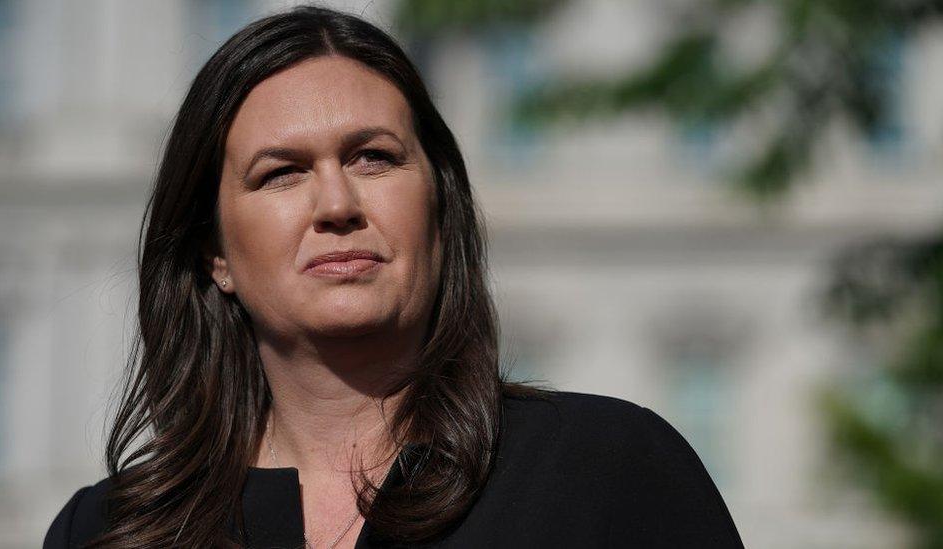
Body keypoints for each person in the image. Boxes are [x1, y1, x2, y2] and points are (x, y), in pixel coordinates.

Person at [43, 5, 744, 548]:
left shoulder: (608, 471)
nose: (338, 205)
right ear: (213, 252)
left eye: (374, 157)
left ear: (438, 206)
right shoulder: (107, 530)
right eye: (281, 173)